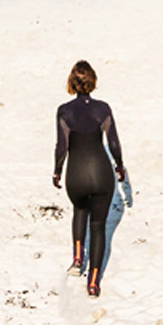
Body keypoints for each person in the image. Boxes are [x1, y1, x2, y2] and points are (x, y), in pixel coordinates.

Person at [53, 59, 126, 297]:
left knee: (79, 210)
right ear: (93, 82)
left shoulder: (64, 111)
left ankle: (76, 259)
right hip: (101, 174)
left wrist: (57, 171)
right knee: (98, 227)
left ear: (72, 84)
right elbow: (113, 142)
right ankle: (93, 282)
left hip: (76, 175)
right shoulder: (103, 109)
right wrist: (120, 166)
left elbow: (62, 147)